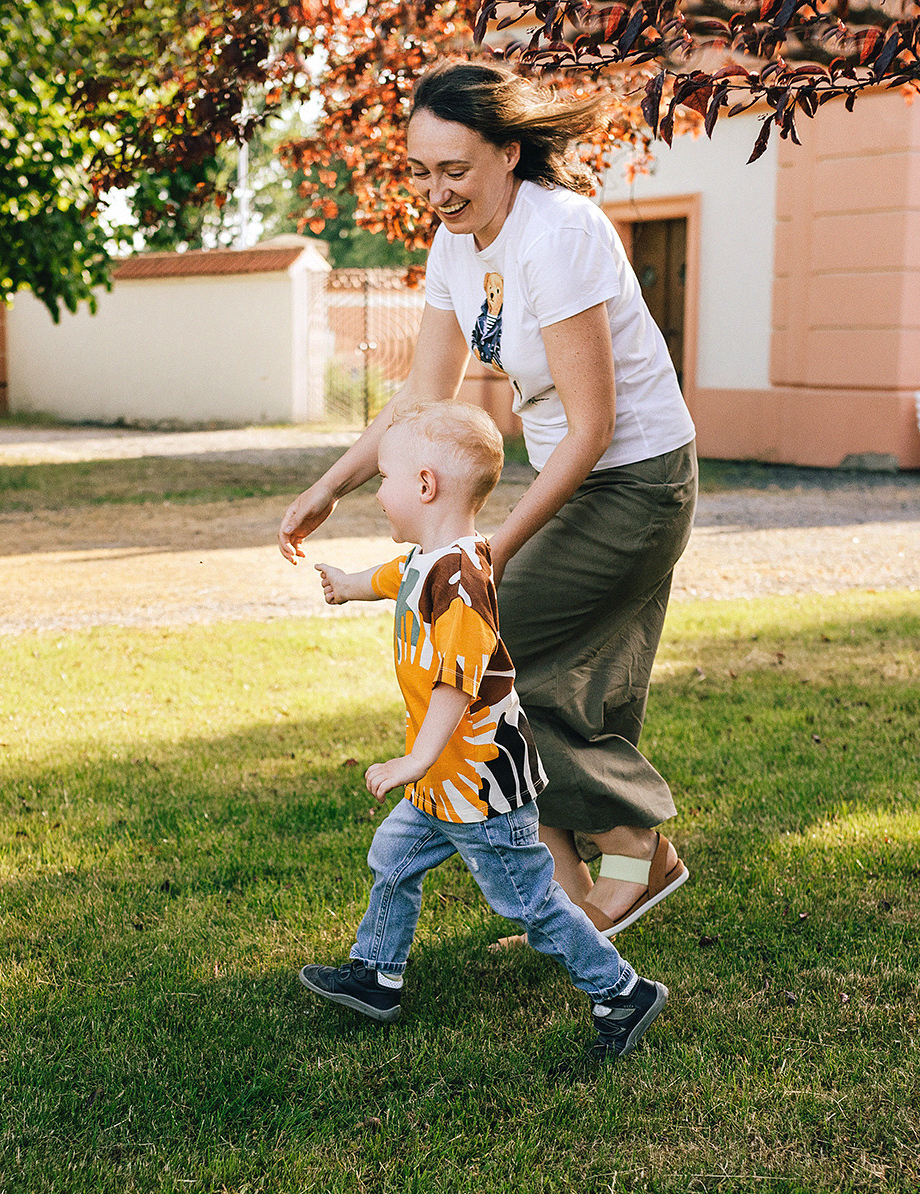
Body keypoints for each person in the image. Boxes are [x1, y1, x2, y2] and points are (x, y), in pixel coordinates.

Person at [279, 58, 697, 939]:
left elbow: (592, 427)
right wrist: (331, 483)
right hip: (579, 476)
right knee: (540, 678)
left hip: (634, 483)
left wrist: (490, 552)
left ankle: (625, 851)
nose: (436, 191)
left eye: (455, 170)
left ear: (509, 153)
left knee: (485, 660)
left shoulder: (560, 235)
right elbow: (424, 403)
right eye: (421, 171)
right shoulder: (454, 247)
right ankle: (600, 879)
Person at [296, 400, 667, 1060]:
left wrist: (414, 761)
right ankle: (377, 974)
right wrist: (348, 584)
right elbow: (397, 580)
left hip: (478, 785)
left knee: (531, 904)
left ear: (425, 484)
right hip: (445, 783)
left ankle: (622, 990)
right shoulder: (431, 560)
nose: (377, 491)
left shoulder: (465, 582)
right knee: (393, 857)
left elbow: (456, 685)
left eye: (383, 477)